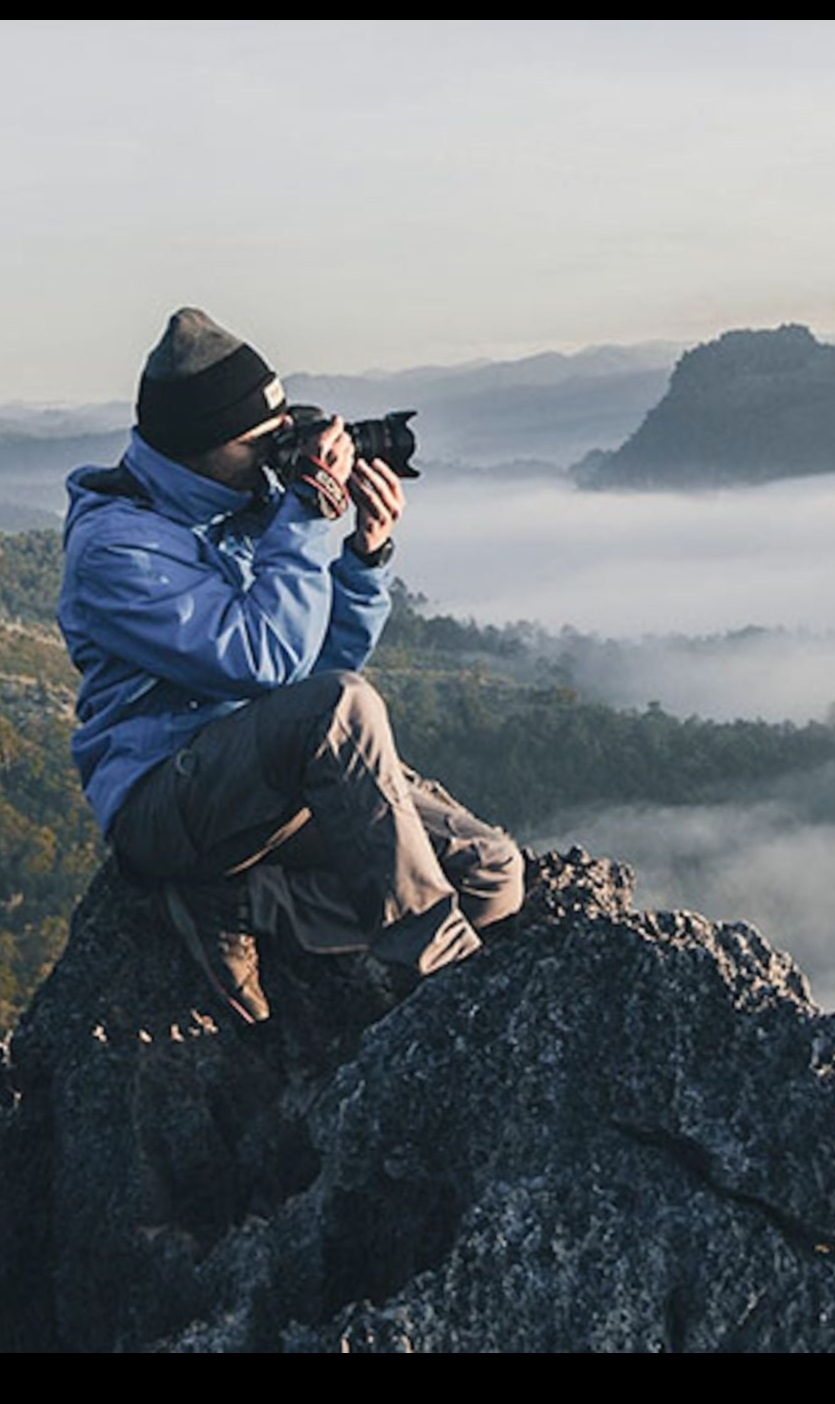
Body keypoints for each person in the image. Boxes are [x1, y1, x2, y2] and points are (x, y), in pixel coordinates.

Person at [57, 307, 524, 1024]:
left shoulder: (245, 506)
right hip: (166, 803)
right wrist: (303, 515)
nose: (277, 456)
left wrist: (364, 559)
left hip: (264, 786)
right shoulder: (117, 549)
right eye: (261, 442)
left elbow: (314, 673)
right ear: (198, 445)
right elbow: (269, 665)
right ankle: (443, 983)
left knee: (490, 875)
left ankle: (248, 903)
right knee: (344, 706)